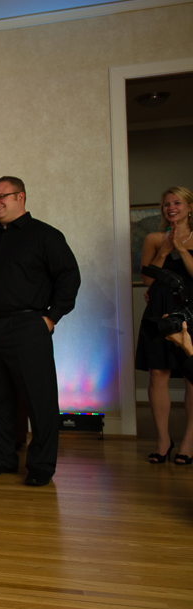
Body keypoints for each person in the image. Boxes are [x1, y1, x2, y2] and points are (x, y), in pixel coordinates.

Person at [0, 176, 80, 486]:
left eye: (2, 196)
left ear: (21, 197)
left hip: (27, 326)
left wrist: (51, 318)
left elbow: (69, 278)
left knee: (40, 399)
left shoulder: (46, 236)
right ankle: (3, 458)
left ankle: (41, 467)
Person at [136, 186, 193, 465]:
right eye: (166, 204)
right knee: (157, 373)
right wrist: (165, 251)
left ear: (189, 208)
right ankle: (163, 440)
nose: (171, 207)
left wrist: (181, 250)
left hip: (190, 310)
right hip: (159, 310)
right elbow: (147, 280)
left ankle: (188, 442)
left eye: (177, 203)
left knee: (191, 375)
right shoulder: (153, 238)